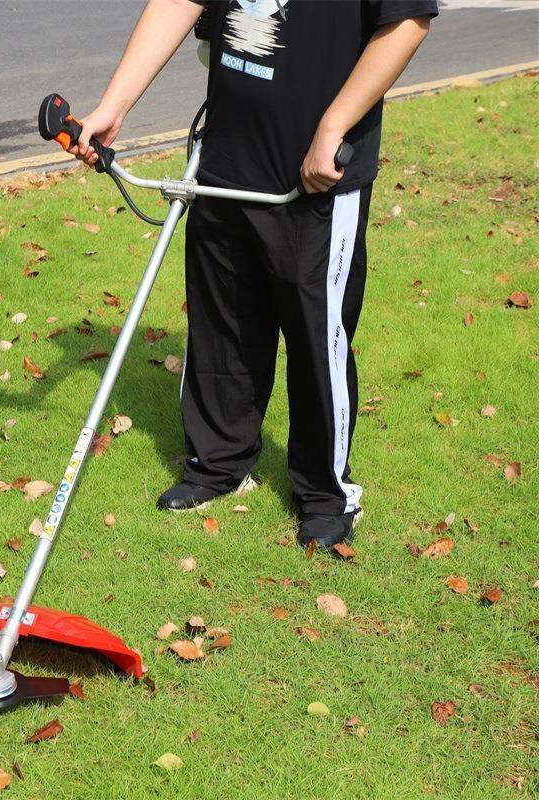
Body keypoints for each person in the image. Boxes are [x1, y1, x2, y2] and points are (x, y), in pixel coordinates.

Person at [69, 0, 437, 550]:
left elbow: (407, 21)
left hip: (315, 175)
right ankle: (217, 464)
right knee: (224, 321)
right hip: (224, 156)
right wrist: (113, 106)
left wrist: (335, 124)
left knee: (317, 337)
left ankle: (324, 494)